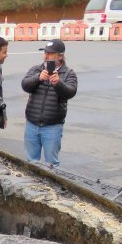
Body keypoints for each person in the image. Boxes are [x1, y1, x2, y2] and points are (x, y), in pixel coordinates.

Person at [20, 38, 78, 168]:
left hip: (52, 126)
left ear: (60, 56)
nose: (46, 56)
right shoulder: (36, 69)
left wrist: (58, 83)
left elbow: (70, 92)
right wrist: (38, 78)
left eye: (50, 53)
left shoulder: (68, 73)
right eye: (45, 52)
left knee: (52, 164)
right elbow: (25, 85)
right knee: (31, 162)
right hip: (32, 123)